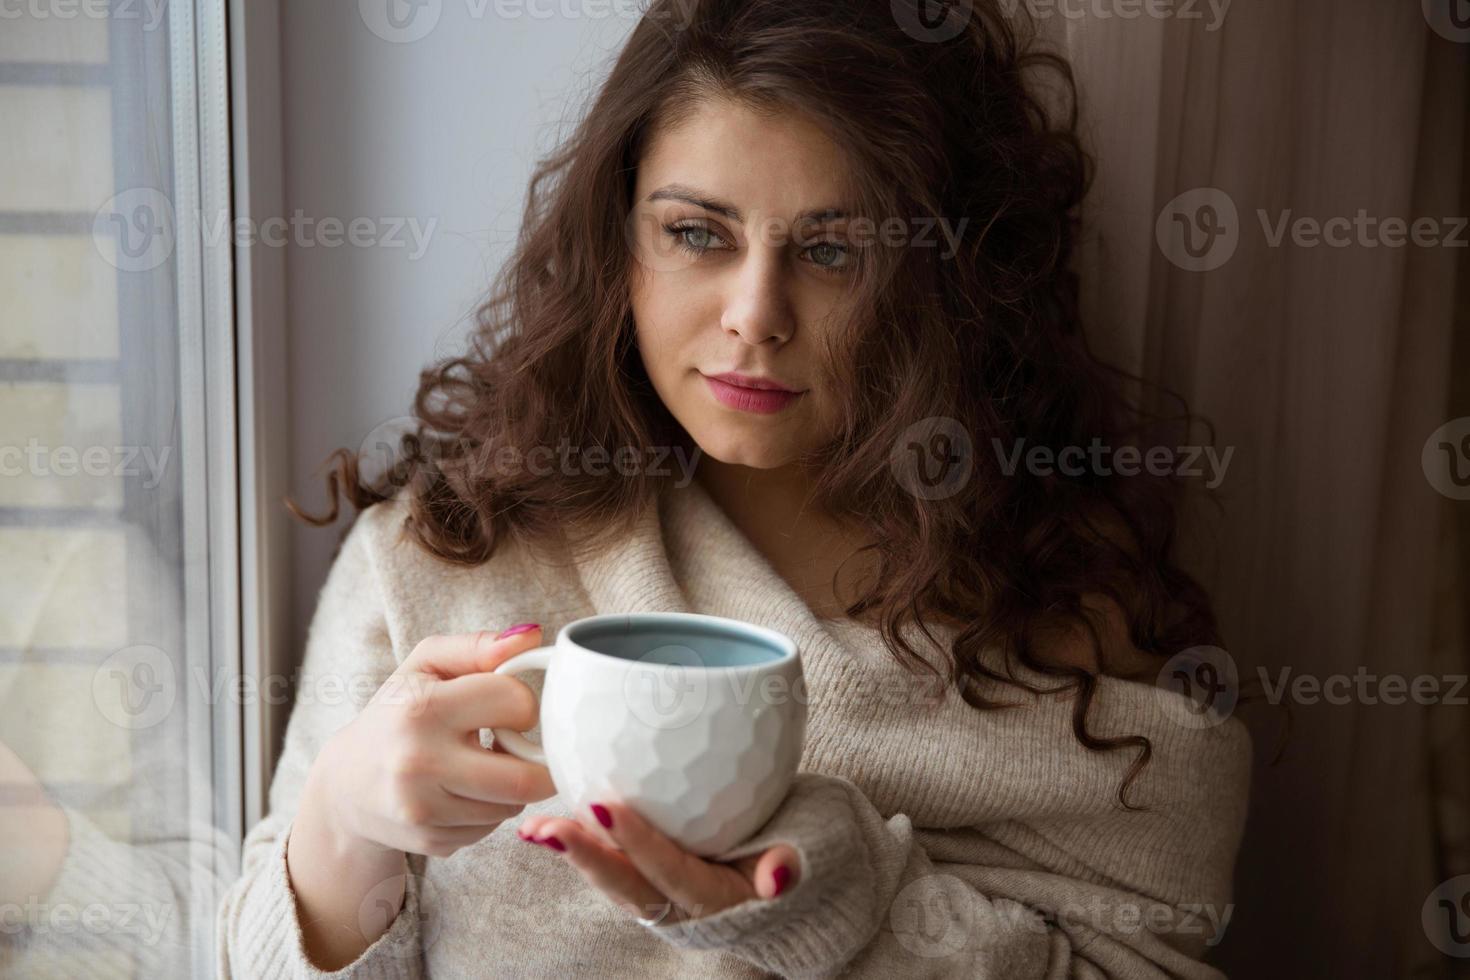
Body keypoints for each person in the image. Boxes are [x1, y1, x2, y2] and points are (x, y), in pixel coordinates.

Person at [217, 1, 1251, 976]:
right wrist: (345, 824)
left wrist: (830, 901)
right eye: (697, 233)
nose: (757, 313)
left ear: (946, 280)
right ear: (617, 242)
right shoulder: (444, 558)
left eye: (833, 250)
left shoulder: (1077, 628)